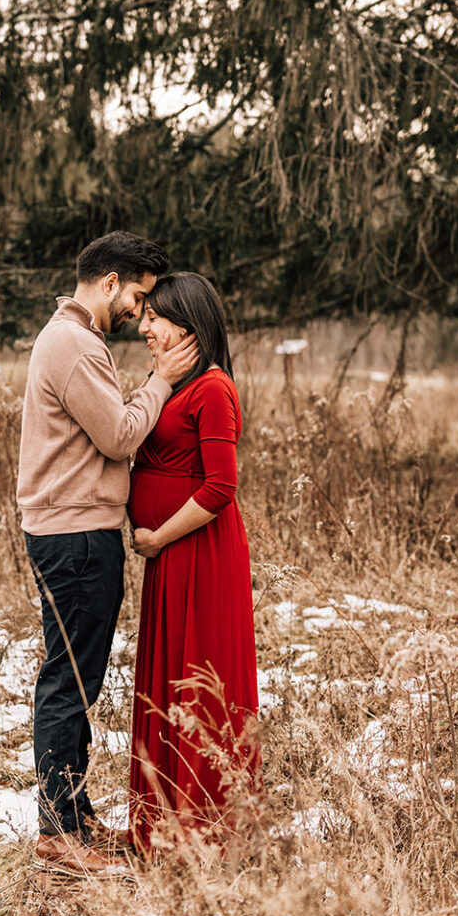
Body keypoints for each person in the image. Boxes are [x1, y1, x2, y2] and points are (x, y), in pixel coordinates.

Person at [17, 231, 199, 877]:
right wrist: (161, 380)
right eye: (140, 297)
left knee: (76, 678)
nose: (140, 313)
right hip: (75, 535)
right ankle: (58, 834)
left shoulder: (73, 340)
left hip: (71, 530)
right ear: (110, 281)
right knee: (69, 682)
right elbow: (120, 435)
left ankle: (75, 816)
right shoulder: (72, 344)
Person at [127, 272, 259, 855]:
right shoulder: (173, 384)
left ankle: (207, 828)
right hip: (169, 554)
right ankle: (161, 823)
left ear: (187, 324)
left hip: (199, 552)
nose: (145, 328)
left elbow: (220, 487)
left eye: (154, 317)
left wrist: (158, 536)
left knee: (201, 678)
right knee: (167, 677)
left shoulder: (212, 389)